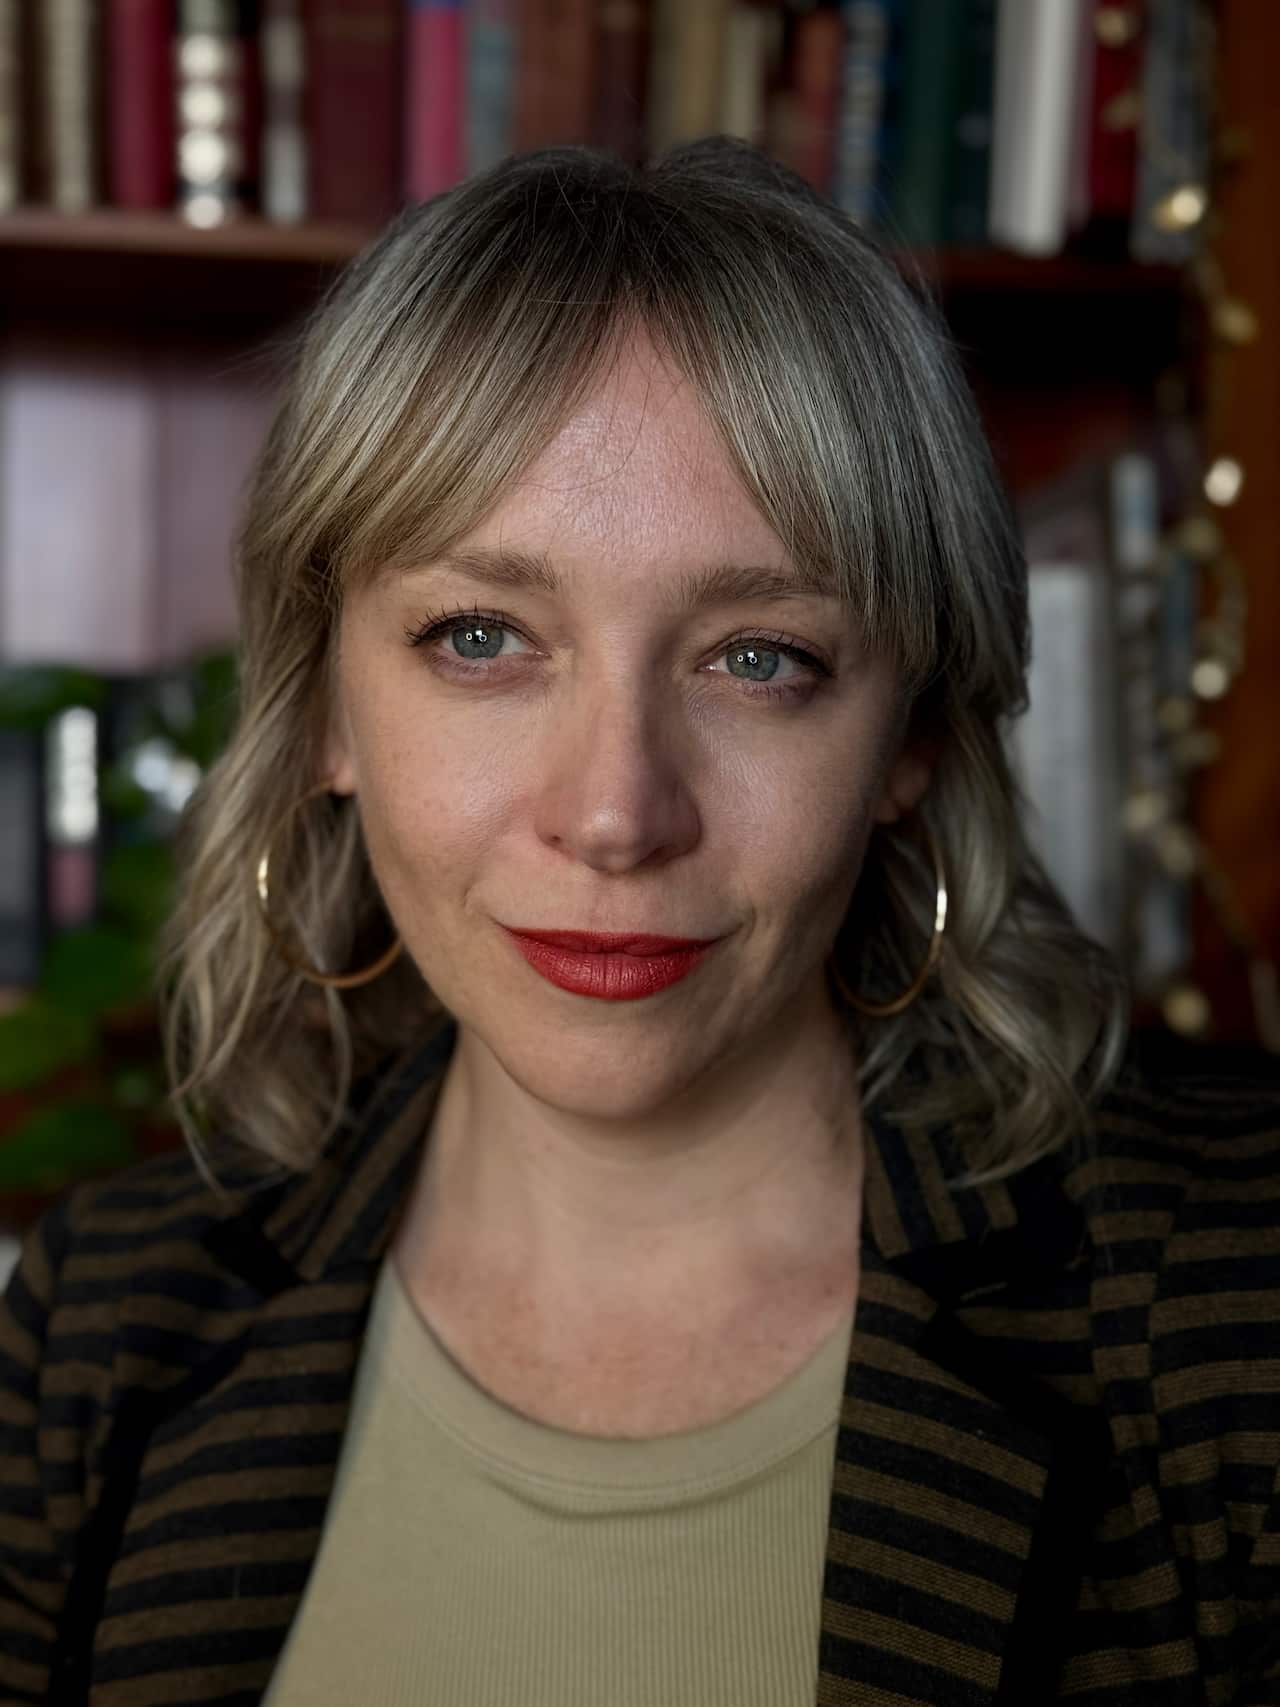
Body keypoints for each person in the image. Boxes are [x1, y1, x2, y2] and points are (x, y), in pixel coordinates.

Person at [1, 136, 1278, 1707]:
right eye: (482, 638)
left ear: (914, 738)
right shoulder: (103, 1330)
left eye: (759, 659)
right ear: (325, 702)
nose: (614, 814)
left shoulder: (1239, 1302)